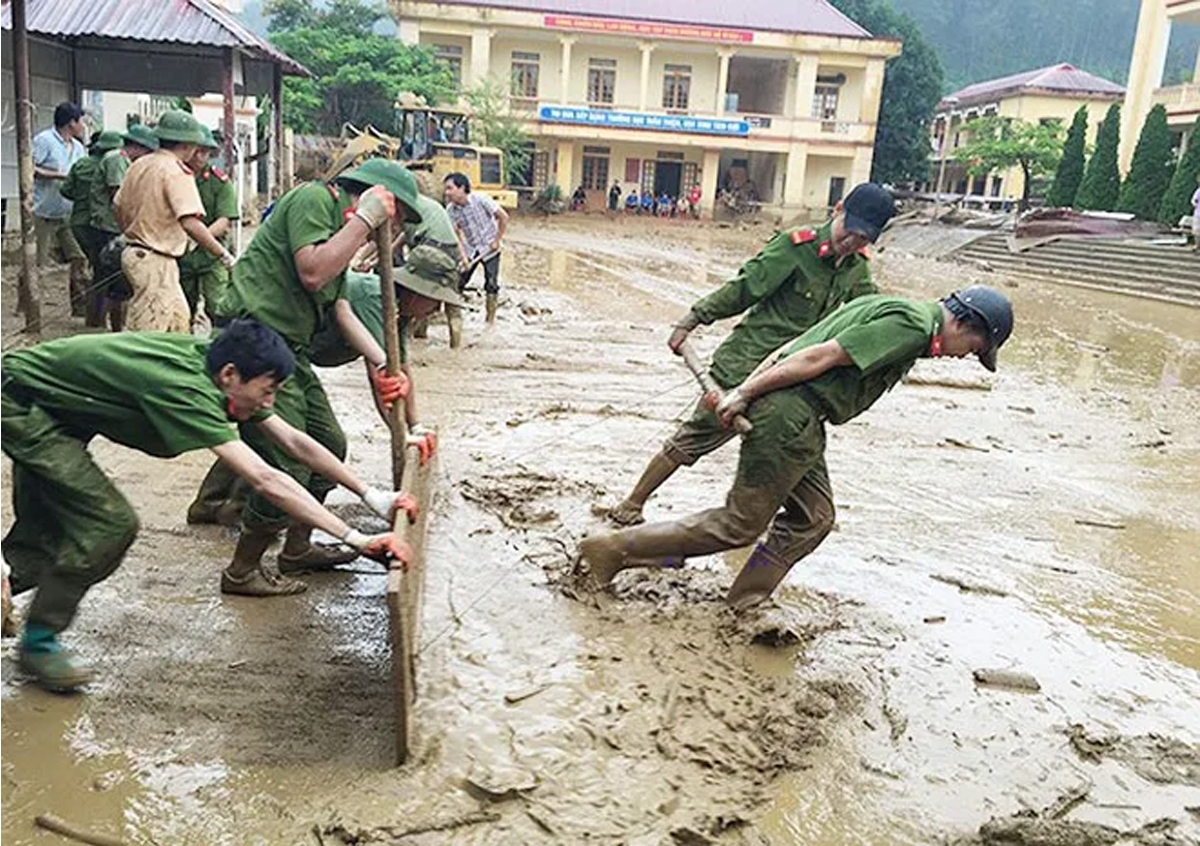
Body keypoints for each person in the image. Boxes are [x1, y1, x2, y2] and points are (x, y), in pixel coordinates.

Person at [1, 319, 415, 692]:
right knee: (110, 525)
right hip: (21, 405)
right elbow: (266, 478)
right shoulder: (188, 389)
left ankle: (20, 609)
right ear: (231, 375)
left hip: (55, 415)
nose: (268, 402)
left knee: (42, 543)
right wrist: (355, 537)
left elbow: (294, 442)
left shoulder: (221, 374)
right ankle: (39, 643)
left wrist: (371, 496)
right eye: (266, 391)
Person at [580, 286, 1014, 609]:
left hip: (801, 419)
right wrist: (745, 393)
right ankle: (612, 550)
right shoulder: (912, 327)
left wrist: (751, 390)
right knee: (740, 525)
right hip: (791, 414)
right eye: (974, 349)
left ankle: (746, 601)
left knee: (815, 518)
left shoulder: (892, 305)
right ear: (965, 323)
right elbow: (817, 357)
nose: (963, 358)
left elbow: (795, 346)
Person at [606, 182, 897, 528]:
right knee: (696, 436)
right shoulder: (795, 248)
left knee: (782, 456)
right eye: (850, 232)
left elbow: (869, 312)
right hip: (743, 365)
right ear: (837, 211)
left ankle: (754, 525)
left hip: (792, 378)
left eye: (863, 239)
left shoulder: (856, 269)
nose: (852, 243)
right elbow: (744, 288)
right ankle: (632, 504)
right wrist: (693, 319)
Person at [196, 158, 422, 595]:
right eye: (396, 219)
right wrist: (363, 222)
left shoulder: (342, 236)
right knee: (287, 464)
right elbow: (314, 273)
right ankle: (242, 570)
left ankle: (297, 548)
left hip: (288, 351)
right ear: (373, 196)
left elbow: (339, 308)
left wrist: (381, 363)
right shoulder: (315, 200)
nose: (392, 232)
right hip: (253, 340)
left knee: (330, 443)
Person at [114, 111, 234, 332]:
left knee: (178, 321)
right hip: (155, 257)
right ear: (188, 145)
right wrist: (222, 254)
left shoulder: (139, 165)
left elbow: (118, 206)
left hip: (141, 253)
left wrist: (132, 232)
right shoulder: (176, 171)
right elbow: (190, 222)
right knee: (149, 328)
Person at [87, 125, 159, 332]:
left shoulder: (126, 161)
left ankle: (101, 323)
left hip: (116, 225)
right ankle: (106, 325)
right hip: (108, 225)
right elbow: (119, 197)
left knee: (110, 278)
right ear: (138, 147)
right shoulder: (117, 159)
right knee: (113, 279)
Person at [60, 130, 123, 327]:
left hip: (80, 223)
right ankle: (101, 320)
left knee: (97, 268)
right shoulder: (115, 165)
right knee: (108, 272)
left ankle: (93, 318)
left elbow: (66, 190)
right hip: (106, 225)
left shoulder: (81, 164)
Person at [32, 102, 89, 316]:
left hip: (68, 213)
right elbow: (30, 166)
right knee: (37, 262)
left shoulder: (78, 147)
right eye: (81, 121)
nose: (83, 125)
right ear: (71, 122)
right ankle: (28, 302)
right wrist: (57, 175)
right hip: (43, 211)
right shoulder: (44, 141)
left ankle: (80, 306)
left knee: (79, 257)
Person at [178, 127, 239, 324]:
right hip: (181, 253)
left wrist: (199, 237)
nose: (200, 156)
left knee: (218, 307)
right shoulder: (175, 177)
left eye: (205, 152)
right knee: (182, 309)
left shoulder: (219, 182)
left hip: (211, 254)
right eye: (197, 150)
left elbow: (225, 219)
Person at [444, 172, 509, 325]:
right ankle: (454, 316)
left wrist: (497, 240)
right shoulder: (451, 210)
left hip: (490, 248)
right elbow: (456, 235)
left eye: (450, 188)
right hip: (471, 249)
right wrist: (463, 257)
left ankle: (490, 321)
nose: (447, 193)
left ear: (462, 188)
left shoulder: (481, 199)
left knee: (491, 284)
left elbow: (503, 217)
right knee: (458, 282)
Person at [1191, 174, 1200, 252]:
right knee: (1196, 231)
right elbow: (1193, 200)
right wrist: (1195, 204)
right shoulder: (1198, 190)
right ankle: (1197, 245)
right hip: (1198, 214)